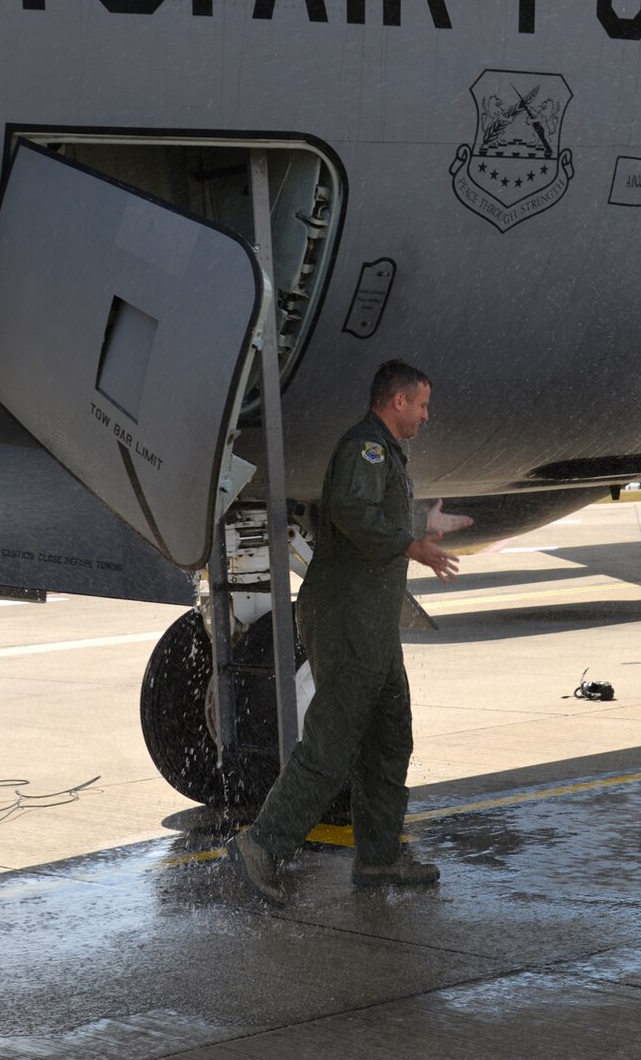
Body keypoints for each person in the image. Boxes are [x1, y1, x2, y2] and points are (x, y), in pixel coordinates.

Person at [227, 360, 471, 905]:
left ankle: (379, 857)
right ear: (399, 401)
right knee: (332, 740)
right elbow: (352, 511)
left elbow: (374, 513)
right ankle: (263, 844)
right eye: (423, 404)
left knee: (390, 737)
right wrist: (413, 545)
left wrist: (425, 526)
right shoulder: (367, 447)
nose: (427, 415)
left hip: (374, 624)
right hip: (347, 619)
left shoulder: (385, 453)